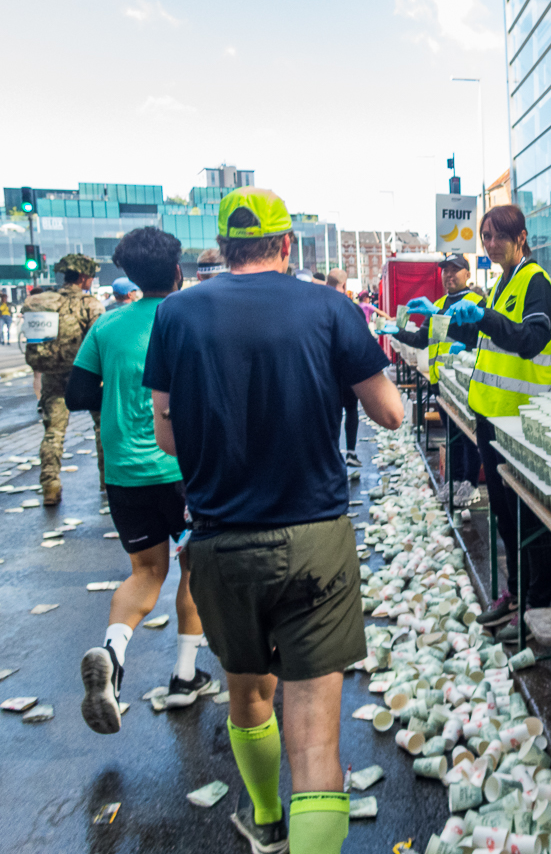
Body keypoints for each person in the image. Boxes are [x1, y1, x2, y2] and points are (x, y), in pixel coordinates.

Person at [144, 188, 404, 854]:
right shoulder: (330, 306)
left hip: (220, 538)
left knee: (248, 693)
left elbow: (168, 437)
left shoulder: (176, 313)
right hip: (315, 536)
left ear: (223, 247)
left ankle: (265, 820)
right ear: (287, 245)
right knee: (316, 736)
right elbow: (391, 414)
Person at [66, 228, 209, 734]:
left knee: (146, 571)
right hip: (184, 470)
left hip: (125, 471)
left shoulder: (106, 327)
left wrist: (118, 391)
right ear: (177, 272)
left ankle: (113, 652)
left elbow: (77, 393)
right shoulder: (190, 318)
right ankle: (185, 675)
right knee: (193, 567)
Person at [445, 205, 551, 641]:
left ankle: (536, 603)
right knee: (505, 514)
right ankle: (515, 593)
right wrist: (452, 324)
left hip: (520, 420)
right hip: (492, 416)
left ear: (521, 237)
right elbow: (490, 337)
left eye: (497, 237)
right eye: (485, 237)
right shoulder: (501, 284)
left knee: (528, 514)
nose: (490, 245)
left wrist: (486, 318)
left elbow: (529, 341)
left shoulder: (536, 283)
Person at [395, 255, 486, 506]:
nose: (449, 275)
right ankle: (454, 481)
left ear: (467, 274)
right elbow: (423, 340)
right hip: (440, 381)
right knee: (452, 433)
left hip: (465, 380)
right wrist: (397, 332)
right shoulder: (437, 303)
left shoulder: (478, 302)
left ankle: (470, 483)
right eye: (445, 270)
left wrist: (466, 347)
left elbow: (482, 338)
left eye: (455, 270)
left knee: (469, 434)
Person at [22, 254, 105, 506]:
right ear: (82, 277)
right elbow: (98, 342)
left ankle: (50, 485)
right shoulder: (91, 305)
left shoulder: (43, 302)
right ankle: (107, 480)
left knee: (54, 432)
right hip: (87, 376)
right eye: (90, 276)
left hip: (53, 376)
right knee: (102, 429)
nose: (91, 280)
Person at [324, 269, 365, 466]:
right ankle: (351, 452)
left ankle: (330, 453)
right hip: (348, 369)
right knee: (351, 409)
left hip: (325, 371)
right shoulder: (353, 308)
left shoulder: (318, 306)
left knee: (331, 411)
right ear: (345, 286)